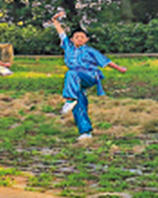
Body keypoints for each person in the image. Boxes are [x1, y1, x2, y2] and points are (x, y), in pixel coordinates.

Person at [50, 10, 127, 142]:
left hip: (89, 76)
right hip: (75, 81)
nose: (79, 38)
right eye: (76, 37)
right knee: (79, 103)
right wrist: (55, 21)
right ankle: (85, 132)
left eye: (82, 37)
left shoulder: (90, 51)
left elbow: (106, 61)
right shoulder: (68, 47)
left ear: (86, 39)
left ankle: (69, 98)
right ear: (72, 39)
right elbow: (61, 32)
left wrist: (120, 68)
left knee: (72, 73)